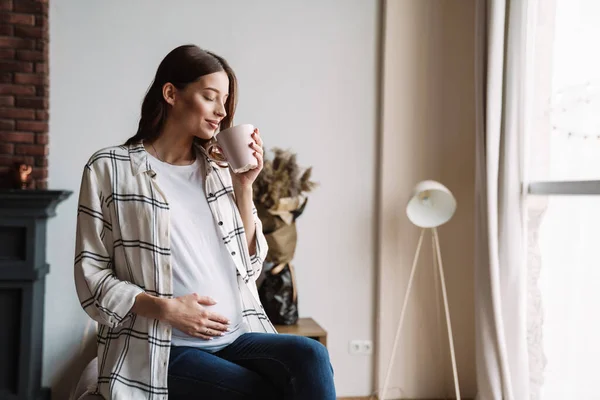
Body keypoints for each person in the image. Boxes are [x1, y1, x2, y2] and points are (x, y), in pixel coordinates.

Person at [74, 44, 336, 400]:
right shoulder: (110, 168)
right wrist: (166, 309)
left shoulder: (218, 169)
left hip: (235, 336)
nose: (222, 111)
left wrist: (244, 186)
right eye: (210, 97)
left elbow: (250, 266)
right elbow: (91, 275)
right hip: (164, 348)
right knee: (262, 391)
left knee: (312, 355)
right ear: (171, 93)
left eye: (225, 100)